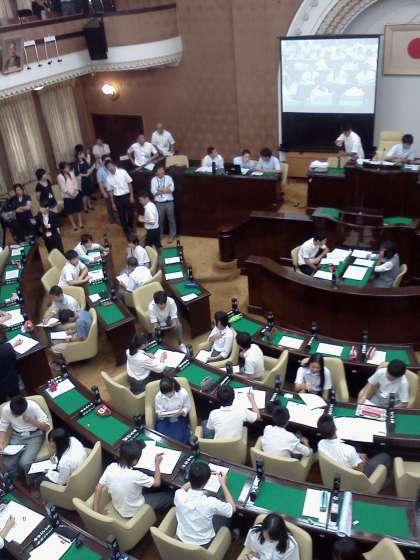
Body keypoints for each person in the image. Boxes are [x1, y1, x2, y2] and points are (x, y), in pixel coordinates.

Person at [93, 440, 173, 517]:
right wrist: (157, 464)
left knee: (146, 487)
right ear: (135, 461)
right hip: (135, 510)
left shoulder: (111, 467)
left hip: (118, 506)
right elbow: (157, 483)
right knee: (170, 495)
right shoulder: (136, 475)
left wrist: (97, 512)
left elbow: (98, 488)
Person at [174, 461, 235, 548]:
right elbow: (232, 509)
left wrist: (198, 476)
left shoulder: (179, 494)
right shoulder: (210, 502)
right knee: (227, 517)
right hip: (203, 543)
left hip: (182, 537)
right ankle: (230, 536)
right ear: (206, 482)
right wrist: (223, 484)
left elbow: (182, 489)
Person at [317, 415, 390, 478]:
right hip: (352, 478)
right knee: (385, 456)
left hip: (334, 474)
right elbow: (359, 472)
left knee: (357, 445)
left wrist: (357, 455)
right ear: (335, 428)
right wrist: (361, 461)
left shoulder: (320, 444)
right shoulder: (349, 450)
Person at [0, 396, 50, 478]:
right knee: (8, 463)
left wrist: (32, 420)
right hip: (17, 435)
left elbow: (46, 427)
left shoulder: (33, 406)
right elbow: (2, 428)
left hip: (35, 435)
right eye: (14, 414)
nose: (16, 416)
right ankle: (14, 480)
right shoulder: (6, 409)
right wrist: (1, 444)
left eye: (18, 414)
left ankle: (30, 481)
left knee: (25, 463)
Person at [155, 377, 191, 443]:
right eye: (165, 394)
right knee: (161, 437)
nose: (168, 395)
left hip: (179, 417)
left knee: (178, 439)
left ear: (173, 386)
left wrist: (182, 411)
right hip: (164, 419)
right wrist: (159, 413)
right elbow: (158, 410)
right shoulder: (158, 396)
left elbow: (187, 407)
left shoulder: (183, 393)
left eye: (170, 392)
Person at [105, 160, 135, 238]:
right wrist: (113, 203)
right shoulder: (108, 178)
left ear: (114, 165)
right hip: (118, 198)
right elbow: (110, 192)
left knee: (131, 213)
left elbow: (129, 183)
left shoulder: (122, 172)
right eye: (108, 167)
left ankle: (130, 227)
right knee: (121, 216)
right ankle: (127, 232)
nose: (110, 168)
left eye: (111, 166)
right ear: (107, 169)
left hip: (127, 195)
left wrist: (131, 195)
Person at [150, 165, 177, 244]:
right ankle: (160, 234)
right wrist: (166, 189)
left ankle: (172, 235)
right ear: (156, 172)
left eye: (162, 170)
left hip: (169, 202)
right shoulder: (153, 180)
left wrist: (160, 189)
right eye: (160, 170)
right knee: (160, 220)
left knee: (171, 219)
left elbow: (172, 189)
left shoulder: (168, 178)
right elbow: (154, 192)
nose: (162, 171)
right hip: (159, 203)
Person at [57, 162, 83, 231]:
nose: (68, 168)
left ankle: (80, 222)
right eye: (66, 167)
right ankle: (73, 224)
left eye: (68, 166)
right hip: (67, 196)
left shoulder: (71, 173)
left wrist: (74, 192)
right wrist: (70, 194)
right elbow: (63, 188)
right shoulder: (59, 176)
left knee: (78, 209)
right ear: (62, 169)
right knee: (69, 211)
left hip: (75, 193)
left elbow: (75, 183)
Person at [96, 155, 119, 224]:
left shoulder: (115, 167)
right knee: (109, 205)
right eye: (107, 160)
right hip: (107, 190)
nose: (109, 162)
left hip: (116, 188)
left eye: (110, 160)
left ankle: (118, 218)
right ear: (103, 161)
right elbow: (100, 183)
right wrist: (103, 192)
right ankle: (111, 217)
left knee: (117, 203)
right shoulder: (100, 171)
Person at [74, 148, 95, 214]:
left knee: (89, 193)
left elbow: (88, 168)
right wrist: (85, 175)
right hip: (82, 180)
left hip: (87, 179)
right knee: (84, 195)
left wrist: (91, 169)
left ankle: (89, 205)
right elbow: (77, 173)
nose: (83, 154)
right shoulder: (76, 163)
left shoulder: (85, 161)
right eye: (82, 154)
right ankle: (85, 207)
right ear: (78, 155)